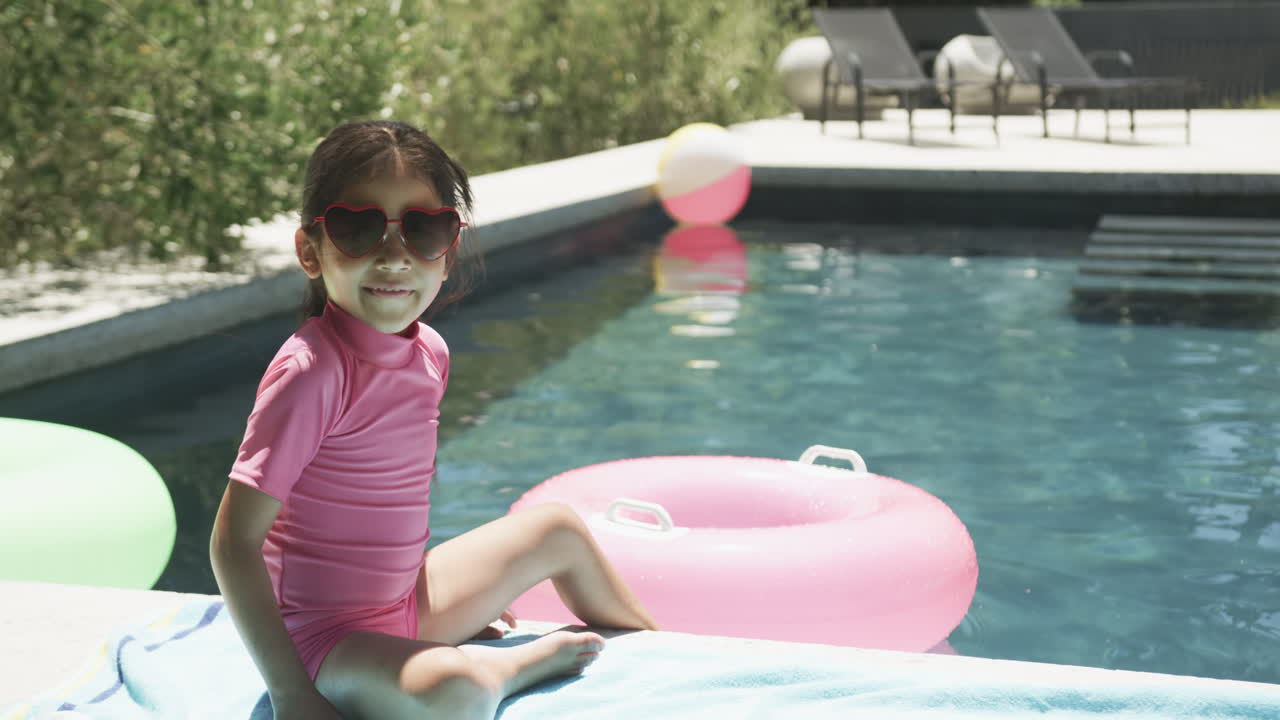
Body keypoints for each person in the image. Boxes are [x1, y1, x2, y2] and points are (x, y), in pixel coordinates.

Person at [210, 120, 658, 720]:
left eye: (424, 229)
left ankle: (668, 657)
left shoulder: (430, 353)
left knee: (557, 530)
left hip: (406, 603)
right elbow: (233, 543)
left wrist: (450, 606)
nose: (394, 255)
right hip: (322, 640)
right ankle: (509, 668)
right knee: (453, 690)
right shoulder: (313, 372)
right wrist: (292, 694)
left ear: (448, 254)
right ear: (310, 251)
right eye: (359, 227)